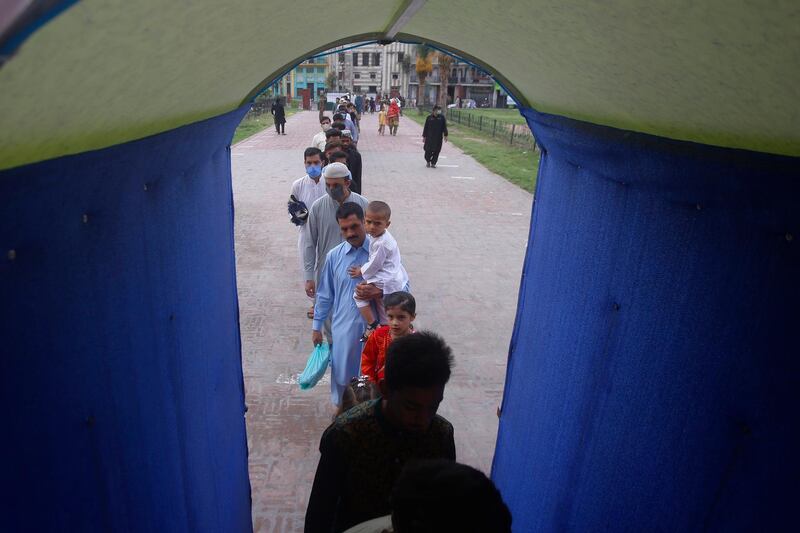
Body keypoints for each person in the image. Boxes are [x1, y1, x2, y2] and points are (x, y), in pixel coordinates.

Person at [305, 331, 456, 532]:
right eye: (411, 407)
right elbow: (320, 513)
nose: (423, 419)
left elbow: (445, 504)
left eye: (433, 407)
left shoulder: (441, 434)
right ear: (384, 389)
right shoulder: (346, 435)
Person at [310, 203, 374, 406]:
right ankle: (342, 419)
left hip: (375, 333)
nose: (350, 233)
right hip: (344, 332)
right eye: (344, 228)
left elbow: (403, 287)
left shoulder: (381, 253)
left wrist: (378, 291)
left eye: (354, 226)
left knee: (373, 382)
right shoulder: (334, 256)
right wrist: (316, 327)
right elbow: (324, 295)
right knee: (342, 382)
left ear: (364, 222)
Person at [303, 163, 369, 342]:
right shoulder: (318, 207)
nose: (331, 189)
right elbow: (309, 243)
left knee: (357, 317)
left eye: (336, 185)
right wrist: (309, 275)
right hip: (327, 271)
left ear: (347, 182)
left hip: (358, 272)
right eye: (328, 185)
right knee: (329, 319)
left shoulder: (363, 205)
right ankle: (335, 358)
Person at [348, 201, 408, 340]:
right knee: (383, 307)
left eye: (377, 223)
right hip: (390, 278)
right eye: (369, 222)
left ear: (387, 224)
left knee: (358, 295)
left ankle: (372, 324)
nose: (372, 227)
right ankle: (384, 329)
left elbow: (375, 264)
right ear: (364, 220)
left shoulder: (382, 243)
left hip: (384, 278)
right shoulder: (378, 237)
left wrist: (361, 271)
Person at [289, 147, 326, 318]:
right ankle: (314, 303)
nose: (312, 166)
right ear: (304, 163)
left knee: (326, 265)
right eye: (309, 163)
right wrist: (301, 216)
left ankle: (327, 301)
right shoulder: (298, 185)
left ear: (322, 162)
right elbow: (292, 207)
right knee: (308, 265)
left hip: (327, 231)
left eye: (316, 162)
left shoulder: (329, 182)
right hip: (306, 232)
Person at [360, 291, 415, 384]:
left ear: (412, 317)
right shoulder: (378, 335)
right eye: (390, 317)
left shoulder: (417, 343)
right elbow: (367, 361)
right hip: (379, 389)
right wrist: (372, 385)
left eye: (401, 317)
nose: (395, 323)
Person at [340, 130, 362, 195]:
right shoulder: (335, 155)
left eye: (347, 141)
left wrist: (358, 193)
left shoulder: (356, 156)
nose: (345, 143)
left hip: (352, 189)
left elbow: (358, 176)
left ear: (351, 141)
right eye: (343, 141)